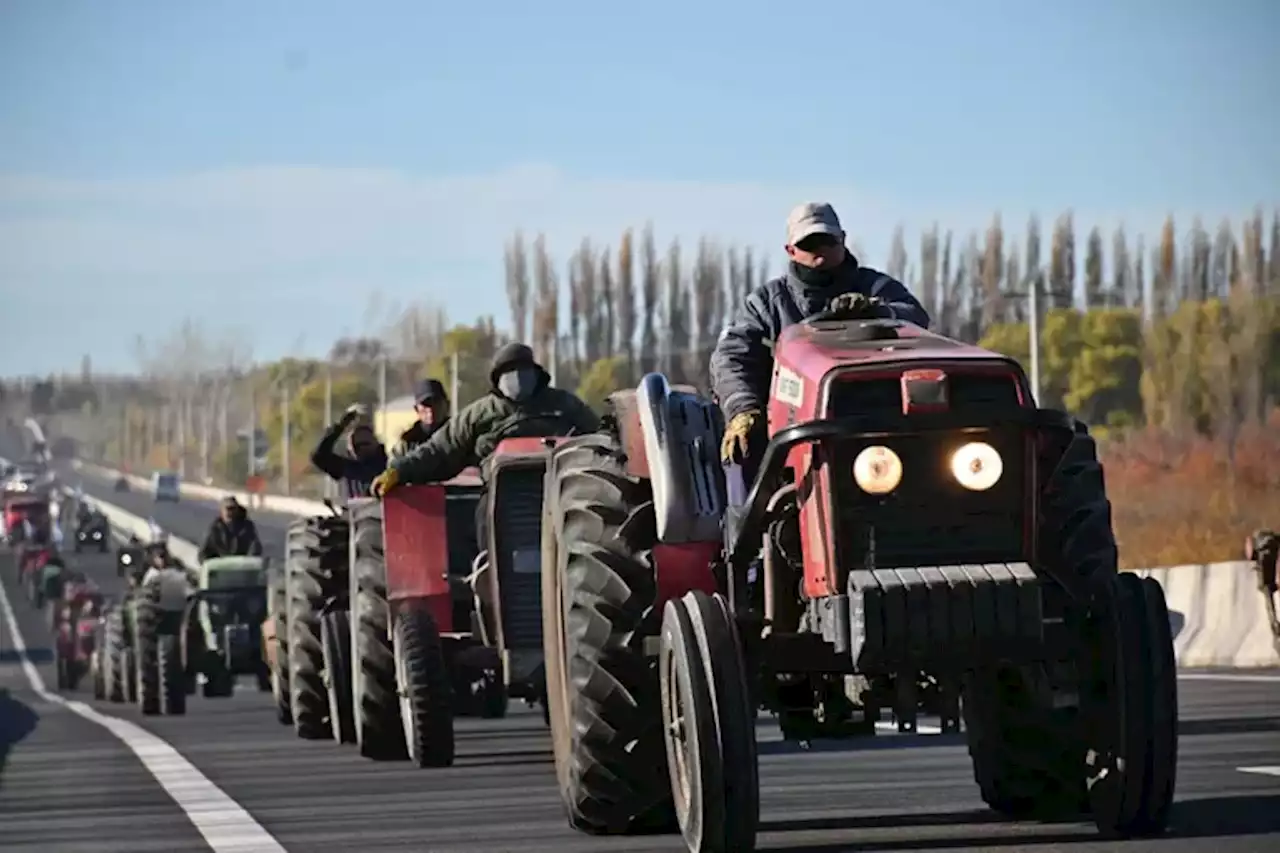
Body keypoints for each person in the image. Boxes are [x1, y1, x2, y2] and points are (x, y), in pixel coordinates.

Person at [711, 201, 931, 481]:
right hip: (786, 432)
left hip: (876, 422)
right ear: (790, 251)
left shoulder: (877, 288)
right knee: (741, 454)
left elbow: (916, 319)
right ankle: (749, 520)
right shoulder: (766, 304)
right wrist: (743, 408)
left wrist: (878, 311)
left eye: (827, 241)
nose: (820, 252)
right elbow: (732, 357)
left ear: (843, 240)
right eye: (809, 244)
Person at [371, 342, 600, 546]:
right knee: (483, 532)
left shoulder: (565, 405)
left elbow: (600, 438)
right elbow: (439, 450)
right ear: (497, 378)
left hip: (565, 499)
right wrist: (398, 471)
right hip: (500, 505)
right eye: (509, 371)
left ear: (536, 373)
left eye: (523, 369)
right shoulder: (479, 414)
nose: (518, 377)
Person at [310, 403, 390, 499]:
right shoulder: (349, 468)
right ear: (350, 448)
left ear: (376, 442)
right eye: (357, 445)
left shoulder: (388, 466)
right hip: (354, 512)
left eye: (366, 443)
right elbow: (319, 456)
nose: (362, 449)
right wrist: (340, 426)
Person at [390, 378, 450, 460]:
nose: (431, 409)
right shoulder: (406, 443)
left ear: (447, 405)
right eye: (426, 404)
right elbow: (394, 469)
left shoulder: (459, 436)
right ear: (416, 409)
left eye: (436, 402)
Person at [199, 496, 264, 561]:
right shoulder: (214, 528)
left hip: (242, 565)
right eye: (228, 509)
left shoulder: (247, 526)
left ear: (237, 510)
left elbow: (255, 547)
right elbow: (203, 553)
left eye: (233, 509)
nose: (230, 512)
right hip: (220, 566)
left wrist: (250, 560)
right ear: (222, 511)